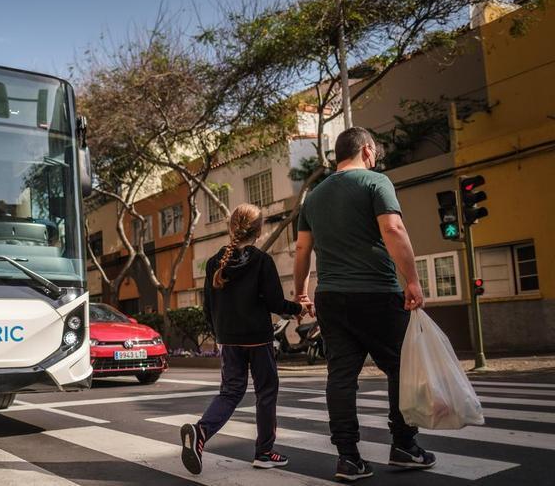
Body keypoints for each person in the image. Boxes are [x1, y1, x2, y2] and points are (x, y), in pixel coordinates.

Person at [293, 127, 435, 481]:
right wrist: (413, 280)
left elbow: (301, 249)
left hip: (331, 298)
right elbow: (394, 230)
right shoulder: (375, 182)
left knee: (341, 377)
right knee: (402, 369)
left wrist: (301, 293)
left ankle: (348, 458)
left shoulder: (313, 196)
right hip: (375, 292)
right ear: (367, 150)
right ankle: (404, 445)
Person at [180, 203, 310, 475]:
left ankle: (201, 431)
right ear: (259, 230)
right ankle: (264, 452)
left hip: (228, 339)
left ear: (231, 229)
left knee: (230, 392)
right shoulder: (262, 261)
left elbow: (208, 306)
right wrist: (299, 308)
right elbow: (275, 303)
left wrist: (219, 335)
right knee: (266, 392)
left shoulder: (216, 262)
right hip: (258, 340)